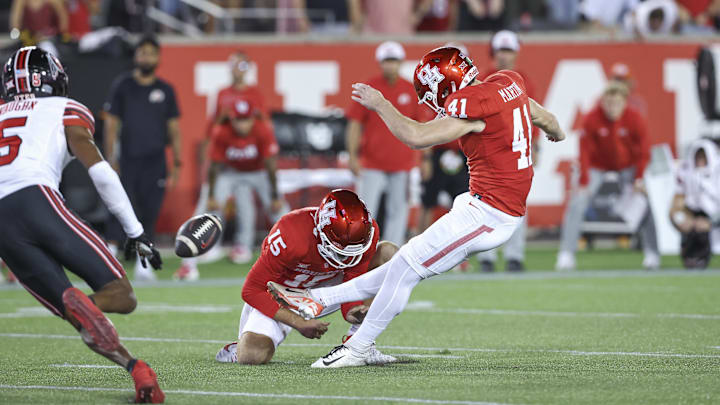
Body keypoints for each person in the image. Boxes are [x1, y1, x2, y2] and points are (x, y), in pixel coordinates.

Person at [267, 47, 565, 368]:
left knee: (407, 267)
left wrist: (381, 104)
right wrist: (556, 134)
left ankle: (358, 347)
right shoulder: (508, 84)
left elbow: (416, 136)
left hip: (490, 214)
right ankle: (318, 301)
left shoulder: (473, 106)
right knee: (402, 265)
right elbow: (548, 119)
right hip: (482, 204)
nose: (431, 99)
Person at [0, 47, 164, 402]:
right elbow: (101, 173)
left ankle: (136, 369)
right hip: (34, 197)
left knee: (76, 312)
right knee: (121, 295)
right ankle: (84, 303)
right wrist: (135, 231)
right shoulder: (65, 108)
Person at [216, 189, 398, 365]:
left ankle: (358, 346)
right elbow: (251, 290)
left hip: (327, 289)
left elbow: (354, 273)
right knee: (251, 355)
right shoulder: (291, 233)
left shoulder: (368, 230)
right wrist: (299, 322)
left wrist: (351, 309)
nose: (350, 257)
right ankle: (236, 350)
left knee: (389, 254)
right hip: (283, 295)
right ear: (321, 232)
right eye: (341, 252)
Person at [177, 50, 267, 271]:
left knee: (245, 202)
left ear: (248, 68)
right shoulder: (223, 93)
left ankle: (243, 245)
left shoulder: (255, 93)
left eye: (242, 66)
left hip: (247, 159)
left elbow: (262, 123)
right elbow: (214, 125)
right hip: (226, 158)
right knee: (212, 201)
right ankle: (204, 244)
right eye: (235, 65)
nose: (238, 70)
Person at [556, 80, 659, 271]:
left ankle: (652, 252)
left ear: (625, 102)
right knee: (577, 201)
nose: (613, 108)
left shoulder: (635, 119)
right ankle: (566, 253)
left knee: (645, 201)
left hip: (628, 167)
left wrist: (639, 177)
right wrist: (585, 180)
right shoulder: (592, 118)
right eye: (609, 103)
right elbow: (585, 151)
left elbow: (644, 151)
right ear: (603, 102)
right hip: (598, 166)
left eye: (617, 103)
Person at [174, 99, 282, 281]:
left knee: (281, 212)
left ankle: (302, 260)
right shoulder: (222, 132)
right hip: (229, 172)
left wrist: (274, 196)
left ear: (252, 118)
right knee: (205, 210)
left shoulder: (262, 130)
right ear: (231, 119)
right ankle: (188, 265)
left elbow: (271, 165)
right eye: (238, 120)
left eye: (246, 119)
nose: (242, 125)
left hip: (258, 172)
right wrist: (211, 195)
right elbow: (214, 166)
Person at [104, 35, 182, 281]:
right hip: (127, 158)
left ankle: (143, 262)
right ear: (135, 56)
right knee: (120, 206)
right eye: (142, 52)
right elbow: (111, 124)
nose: (146, 57)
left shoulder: (166, 89)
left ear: (158, 57)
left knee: (150, 211)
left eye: (151, 53)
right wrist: (109, 158)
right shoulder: (123, 85)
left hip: (155, 161)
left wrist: (178, 161)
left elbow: (174, 128)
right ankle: (109, 254)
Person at [346, 41, 420, 245]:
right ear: (380, 63)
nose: (390, 65)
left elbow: (420, 125)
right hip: (372, 162)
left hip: (401, 162)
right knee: (365, 211)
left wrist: (424, 158)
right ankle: (361, 250)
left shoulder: (410, 89)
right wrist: (352, 156)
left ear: (401, 62)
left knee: (399, 210)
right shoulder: (370, 89)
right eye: (387, 61)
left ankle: (391, 253)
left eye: (394, 60)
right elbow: (354, 124)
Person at [476, 30, 536, 272]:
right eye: (500, 50)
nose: (504, 55)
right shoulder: (483, 79)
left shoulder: (524, 80)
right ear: (494, 53)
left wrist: (536, 145)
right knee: (486, 203)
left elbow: (534, 115)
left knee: (519, 203)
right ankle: (486, 256)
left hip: (517, 150)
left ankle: (515, 256)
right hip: (490, 153)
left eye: (508, 50)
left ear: (515, 53)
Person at [670, 139, 720, 269]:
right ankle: (690, 256)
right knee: (689, 224)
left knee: (701, 227)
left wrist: (711, 221)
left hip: (713, 216)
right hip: (692, 214)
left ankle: (703, 256)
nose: (700, 162)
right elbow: (676, 204)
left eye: (703, 158)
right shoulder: (686, 173)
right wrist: (682, 219)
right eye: (698, 158)